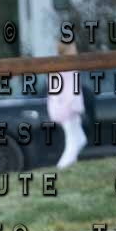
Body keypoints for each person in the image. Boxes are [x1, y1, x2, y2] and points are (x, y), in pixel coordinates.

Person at [47, 40, 88, 169]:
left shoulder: (56, 67)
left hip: (60, 108)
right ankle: (62, 167)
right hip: (68, 109)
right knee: (73, 141)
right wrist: (77, 107)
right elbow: (72, 92)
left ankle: (70, 165)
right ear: (68, 51)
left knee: (79, 139)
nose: (76, 51)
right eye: (73, 48)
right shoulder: (68, 68)